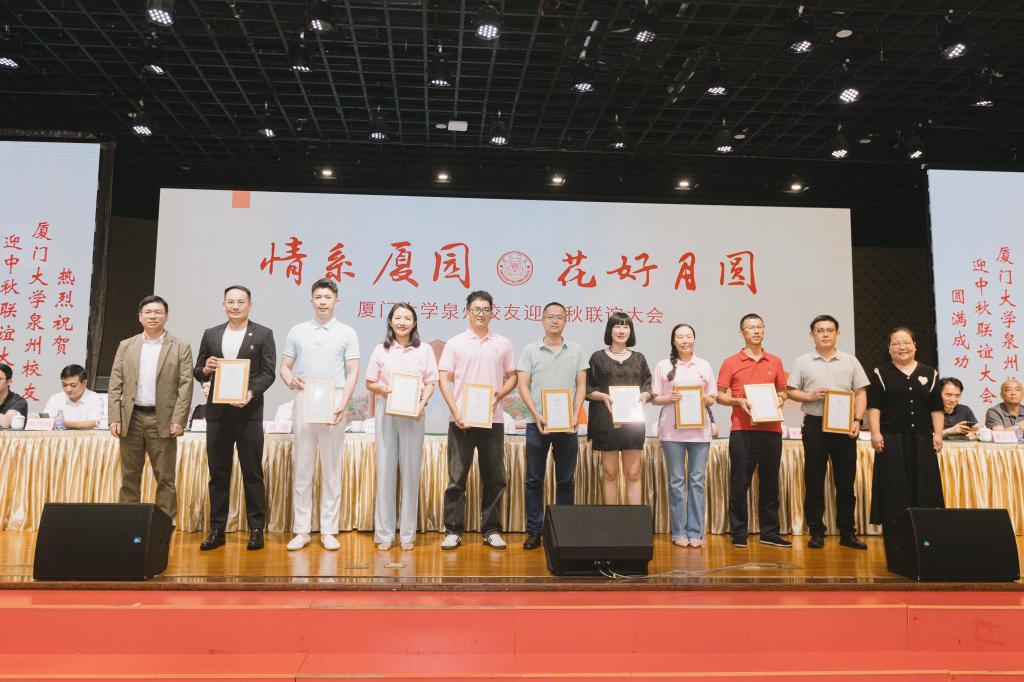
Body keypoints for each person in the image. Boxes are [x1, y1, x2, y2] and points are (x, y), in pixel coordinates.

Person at [193, 285, 277, 552]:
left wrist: (250, 392)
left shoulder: (263, 334)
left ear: (250, 305)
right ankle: (217, 530)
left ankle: (256, 529)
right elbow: (198, 369)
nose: (235, 306)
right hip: (217, 414)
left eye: (241, 302)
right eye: (230, 301)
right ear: (224, 305)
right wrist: (206, 369)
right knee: (218, 473)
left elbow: (268, 372)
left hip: (248, 413)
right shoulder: (211, 334)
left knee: (252, 472)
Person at [279, 278, 360, 551]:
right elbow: (285, 367)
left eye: (328, 297)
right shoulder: (297, 331)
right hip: (305, 398)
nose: (323, 302)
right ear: (311, 300)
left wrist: (343, 404)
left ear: (336, 301)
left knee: (332, 468)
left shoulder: (347, 332)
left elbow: (353, 373)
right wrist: (290, 380)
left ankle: (328, 530)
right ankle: (302, 530)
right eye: (318, 297)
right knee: (303, 467)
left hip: (333, 400)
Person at [437, 290, 517, 550]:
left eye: (486, 309)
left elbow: (512, 377)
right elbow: (444, 378)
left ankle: (491, 529)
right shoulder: (455, 343)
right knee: (456, 478)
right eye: (476, 309)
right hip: (461, 420)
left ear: (493, 313)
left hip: (493, 420)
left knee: (494, 477)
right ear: (467, 312)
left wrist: (498, 396)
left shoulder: (503, 343)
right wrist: (455, 410)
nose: (481, 314)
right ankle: (453, 530)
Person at [786, 315, 870, 550]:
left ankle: (847, 532)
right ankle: (816, 532)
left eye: (829, 330)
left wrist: (857, 420)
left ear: (837, 333)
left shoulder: (850, 361)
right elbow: (790, 391)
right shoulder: (802, 361)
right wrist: (809, 396)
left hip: (844, 426)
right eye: (820, 330)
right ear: (812, 334)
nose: (825, 334)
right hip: (815, 425)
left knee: (845, 482)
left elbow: (861, 393)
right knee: (814, 481)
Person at [108, 295, 193, 522]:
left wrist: (179, 419)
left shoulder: (180, 346)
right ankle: (127, 522)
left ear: (166, 316)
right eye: (148, 312)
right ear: (140, 317)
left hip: (162, 419)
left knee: (165, 478)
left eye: (158, 312)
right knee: (129, 477)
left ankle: (164, 525)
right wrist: (115, 417)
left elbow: (185, 385)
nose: (153, 316)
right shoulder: (126, 345)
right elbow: (115, 383)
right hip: (131, 418)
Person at [365, 303, 437, 551]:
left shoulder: (424, 350)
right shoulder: (381, 349)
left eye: (407, 318)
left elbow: (431, 383)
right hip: (386, 410)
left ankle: (407, 534)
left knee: (410, 472)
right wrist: (382, 389)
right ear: (390, 321)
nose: (402, 322)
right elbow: (370, 382)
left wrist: (421, 404)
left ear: (414, 323)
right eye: (398, 318)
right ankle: (385, 534)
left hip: (414, 413)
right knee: (385, 471)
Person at [516, 302, 588, 550]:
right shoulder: (530, 350)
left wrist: (575, 414)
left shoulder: (576, 350)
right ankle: (534, 532)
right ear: (542, 320)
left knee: (565, 481)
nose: (555, 320)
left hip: (567, 426)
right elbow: (522, 386)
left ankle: (562, 532)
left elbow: (581, 385)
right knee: (534, 480)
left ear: (566, 320)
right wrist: (536, 414)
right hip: (537, 424)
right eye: (550, 317)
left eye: (559, 317)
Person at [717, 313, 789, 548]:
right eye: (751, 327)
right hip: (742, 430)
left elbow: (783, 391)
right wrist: (738, 401)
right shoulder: (730, 362)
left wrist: (780, 398)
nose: (756, 331)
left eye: (760, 327)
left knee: (770, 483)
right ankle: (739, 531)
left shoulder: (775, 361)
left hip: (772, 430)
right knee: (739, 483)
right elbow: (720, 395)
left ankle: (770, 532)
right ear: (742, 332)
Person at [866, 327, 945, 526]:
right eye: (896, 343)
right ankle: (896, 528)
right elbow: (874, 407)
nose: (902, 347)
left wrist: (938, 434)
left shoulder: (930, 373)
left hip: (923, 438)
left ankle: (925, 527)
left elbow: (936, 408)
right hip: (891, 439)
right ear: (889, 348)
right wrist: (875, 433)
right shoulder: (880, 373)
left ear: (914, 346)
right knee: (893, 484)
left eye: (906, 343)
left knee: (924, 484)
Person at [650, 323, 715, 548]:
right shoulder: (663, 365)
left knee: (697, 482)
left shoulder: (704, 365)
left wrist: (709, 399)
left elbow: (712, 395)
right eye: (680, 337)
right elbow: (654, 397)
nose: (684, 340)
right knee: (676, 482)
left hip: (700, 432)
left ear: (694, 339)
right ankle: (679, 532)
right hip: (671, 431)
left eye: (688, 336)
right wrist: (670, 398)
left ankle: (696, 532)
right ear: (673, 341)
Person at [586, 312, 653, 506]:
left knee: (633, 473)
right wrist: (603, 396)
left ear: (631, 331)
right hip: (606, 423)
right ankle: (611, 520)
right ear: (610, 330)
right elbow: (588, 388)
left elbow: (648, 386)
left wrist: (645, 395)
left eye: (625, 326)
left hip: (633, 424)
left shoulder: (639, 359)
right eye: (617, 326)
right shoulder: (597, 358)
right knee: (610, 473)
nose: (621, 330)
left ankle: (634, 521)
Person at [43, 364, 106, 429]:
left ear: (84, 383)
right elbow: (46, 421)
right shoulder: (55, 399)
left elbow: (95, 423)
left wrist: (65, 424)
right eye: (64, 385)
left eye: (73, 385)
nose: (68, 389)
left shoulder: (95, 399)